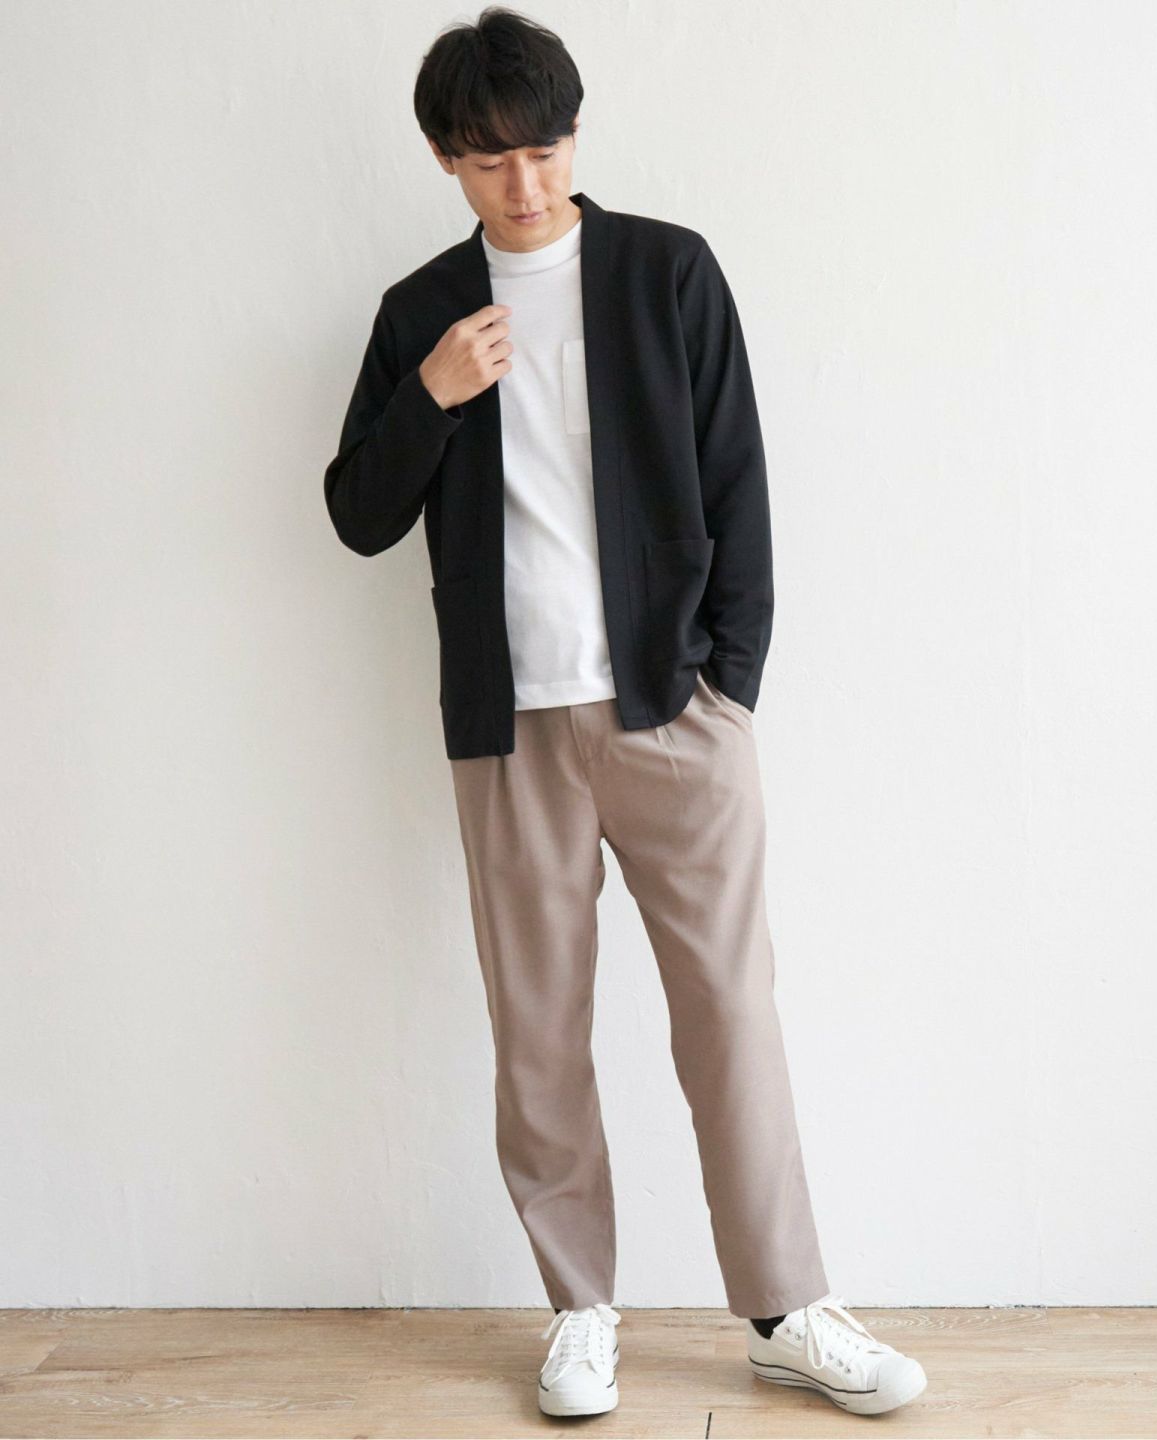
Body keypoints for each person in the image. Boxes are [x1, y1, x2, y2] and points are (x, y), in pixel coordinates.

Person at [323, 4, 928, 1421]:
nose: (524, 183)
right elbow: (357, 512)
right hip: (509, 733)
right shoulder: (420, 314)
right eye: (490, 160)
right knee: (537, 1032)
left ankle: (784, 1307)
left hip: (675, 715)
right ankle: (581, 1312)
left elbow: (739, 487)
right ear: (445, 159)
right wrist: (432, 395)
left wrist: (730, 684)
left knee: (731, 1013)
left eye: (544, 150)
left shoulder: (667, 272)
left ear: (576, 135)